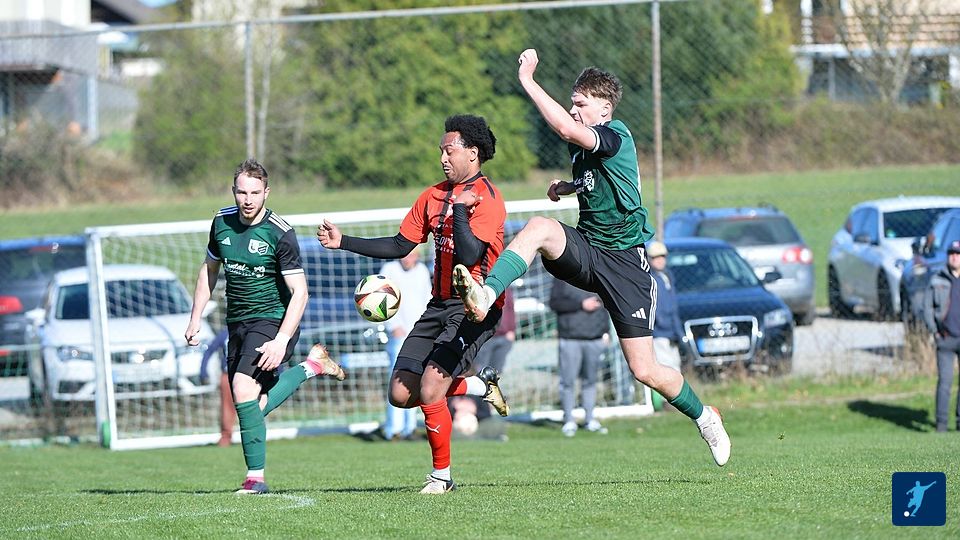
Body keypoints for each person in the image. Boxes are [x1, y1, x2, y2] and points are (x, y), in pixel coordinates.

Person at [453, 49, 731, 466]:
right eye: (572, 103)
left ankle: (705, 416)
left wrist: (528, 80)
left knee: (645, 370)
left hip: (625, 266)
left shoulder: (616, 134)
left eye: (580, 103)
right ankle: (486, 293)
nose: (573, 110)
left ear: (603, 107)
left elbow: (566, 128)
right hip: (589, 250)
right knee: (539, 227)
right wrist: (566, 187)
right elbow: (593, 179)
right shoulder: (585, 150)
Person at [317, 114, 510, 494]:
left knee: (433, 385)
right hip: (438, 306)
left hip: (475, 307)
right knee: (401, 394)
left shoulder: (488, 197)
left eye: (449, 150)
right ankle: (479, 384)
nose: (442, 157)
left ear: (472, 153)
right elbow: (400, 244)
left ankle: (442, 477)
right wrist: (344, 242)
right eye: (441, 150)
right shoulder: (431, 195)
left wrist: (459, 210)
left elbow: (470, 254)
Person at [185, 158, 346, 495]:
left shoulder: (280, 232)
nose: (248, 200)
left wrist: (281, 339)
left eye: (255, 193)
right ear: (233, 191)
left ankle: (255, 479)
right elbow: (209, 269)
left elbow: (300, 293)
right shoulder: (221, 222)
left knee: (241, 388)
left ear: (266, 193)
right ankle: (312, 366)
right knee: (251, 405)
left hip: (273, 320)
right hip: (237, 322)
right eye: (242, 192)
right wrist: (195, 317)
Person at [379, 249, 432, 441]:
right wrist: (393, 325)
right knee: (397, 381)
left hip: (418, 335)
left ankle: (410, 428)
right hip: (399, 335)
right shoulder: (389, 270)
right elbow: (379, 299)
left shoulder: (422, 271)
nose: (408, 259)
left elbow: (427, 301)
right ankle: (393, 429)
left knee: (415, 380)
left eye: (412, 255)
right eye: (405, 255)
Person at [549, 277, 610, 437]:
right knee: (568, 381)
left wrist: (606, 331)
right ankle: (569, 420)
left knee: (591, 381)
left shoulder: (597, 274)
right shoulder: (561, 276)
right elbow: (554, 303)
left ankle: (590, 419)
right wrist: (580, 305)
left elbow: (606, 305)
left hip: (595, 338)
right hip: (570, 338)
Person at [924, 240, 960, 433]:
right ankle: (941, 425)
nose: (954, 257)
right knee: (945, 382)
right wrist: (935, 331)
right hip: (945, 338)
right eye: (951, 253)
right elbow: (927, 308)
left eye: (958, 254)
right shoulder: (937, 279)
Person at [648, 241, 684, 373]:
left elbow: (672, 306)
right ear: (649, 259)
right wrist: (661, 322)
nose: (659, 260)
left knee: (675, 365)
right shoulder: (649, 278)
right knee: (666, 367)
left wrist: (678, 332)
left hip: (672, 332)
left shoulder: (667, 276)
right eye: (655, 257)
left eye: (662, 256)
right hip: (659, 332)